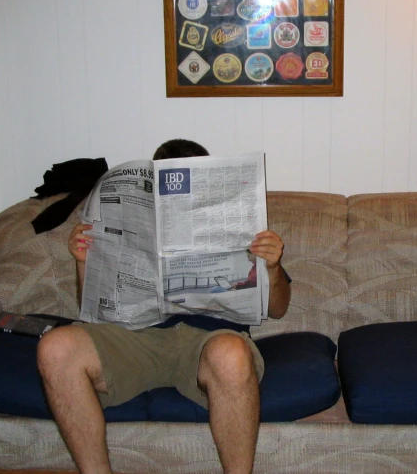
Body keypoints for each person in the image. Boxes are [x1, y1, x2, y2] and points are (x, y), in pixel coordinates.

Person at [36, 139, 291, 474]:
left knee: (231, 355)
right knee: (55, 347)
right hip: (132, 338)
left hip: (207, 343)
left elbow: (278, 309)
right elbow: (95, 306)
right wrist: (84, 261)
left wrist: (271, 267)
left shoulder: (239, 222)